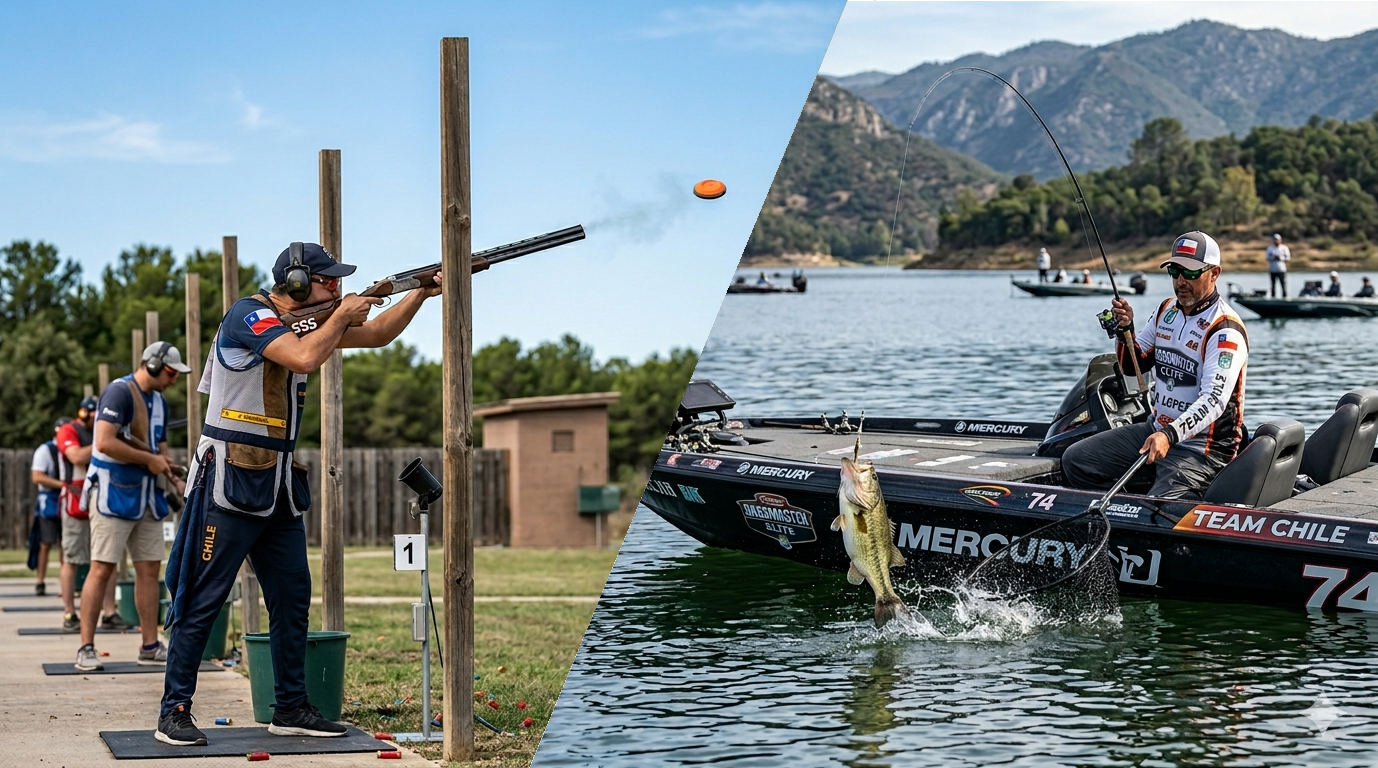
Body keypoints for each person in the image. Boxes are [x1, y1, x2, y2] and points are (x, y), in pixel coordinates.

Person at [155, 242, 443, 747]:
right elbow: (305, 357)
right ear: (293, 282)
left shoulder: (308, 321)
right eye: (326, 279)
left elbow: (376, 334)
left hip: (280, 485)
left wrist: (418, 293)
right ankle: (173, 711)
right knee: (202, 597)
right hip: (230, 479)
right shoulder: (250, 315)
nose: (335, 287)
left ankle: (289, 707)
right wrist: (344, 313)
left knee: (292, 600)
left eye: (336, 282)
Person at [1063, 231, 1249, 499]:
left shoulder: (1225, 329)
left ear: (1215, 273)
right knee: (1076, 460)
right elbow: (1133, 366)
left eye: (1191, 273)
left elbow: (1214, 401)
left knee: (1158, 510)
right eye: (1174, 271)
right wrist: (1125, 331)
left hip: (1203, 449)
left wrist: (1170, 436)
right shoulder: (1166, 311)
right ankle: (1114, 521)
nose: (1181, 281)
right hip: (1156, 429)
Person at [74, 342, 190, 672]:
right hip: (112, 492)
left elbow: (160, 452)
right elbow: (105, 442)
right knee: (102, 567)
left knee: (150, 569)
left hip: (146, 496)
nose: (173, 379)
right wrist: (150, 460)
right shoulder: (118, 393)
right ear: (152, 365)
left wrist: (176, 480)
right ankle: (85, 647)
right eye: (170, 373)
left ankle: (150, 645)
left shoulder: (161, 404)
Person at [55, 397, 124, 632]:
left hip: (104, 497)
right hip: (75, 501)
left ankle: (109, 611)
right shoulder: (68, 430)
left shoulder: (100, 431)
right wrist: (105, 441)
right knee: (71, 558)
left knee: (108, 558)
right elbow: (75, 456)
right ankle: (69, 613)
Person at [29, 419, 67, 596]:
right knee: (45, 543)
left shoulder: (70, 449)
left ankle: (65, 585)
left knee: (65, 545)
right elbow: (37, 477)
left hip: (67, 500)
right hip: (50, 501)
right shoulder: (45, 450)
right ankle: (40, 580)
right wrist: (61, 484)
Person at [1265, 233, 1290, 298]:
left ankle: (1285, 298)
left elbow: (1288, 258)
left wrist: (1280, 258)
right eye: (1275, 240)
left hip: (1281, 269)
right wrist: (1273, 258)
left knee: (1283, 284)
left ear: (1280, 240)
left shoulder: (1284, 248)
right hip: (1273, 269)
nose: (1276, 241)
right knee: (1273, 285)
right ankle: (1273, 297)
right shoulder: (1270, 248)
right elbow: (1267, 257)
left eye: (1277, 240)